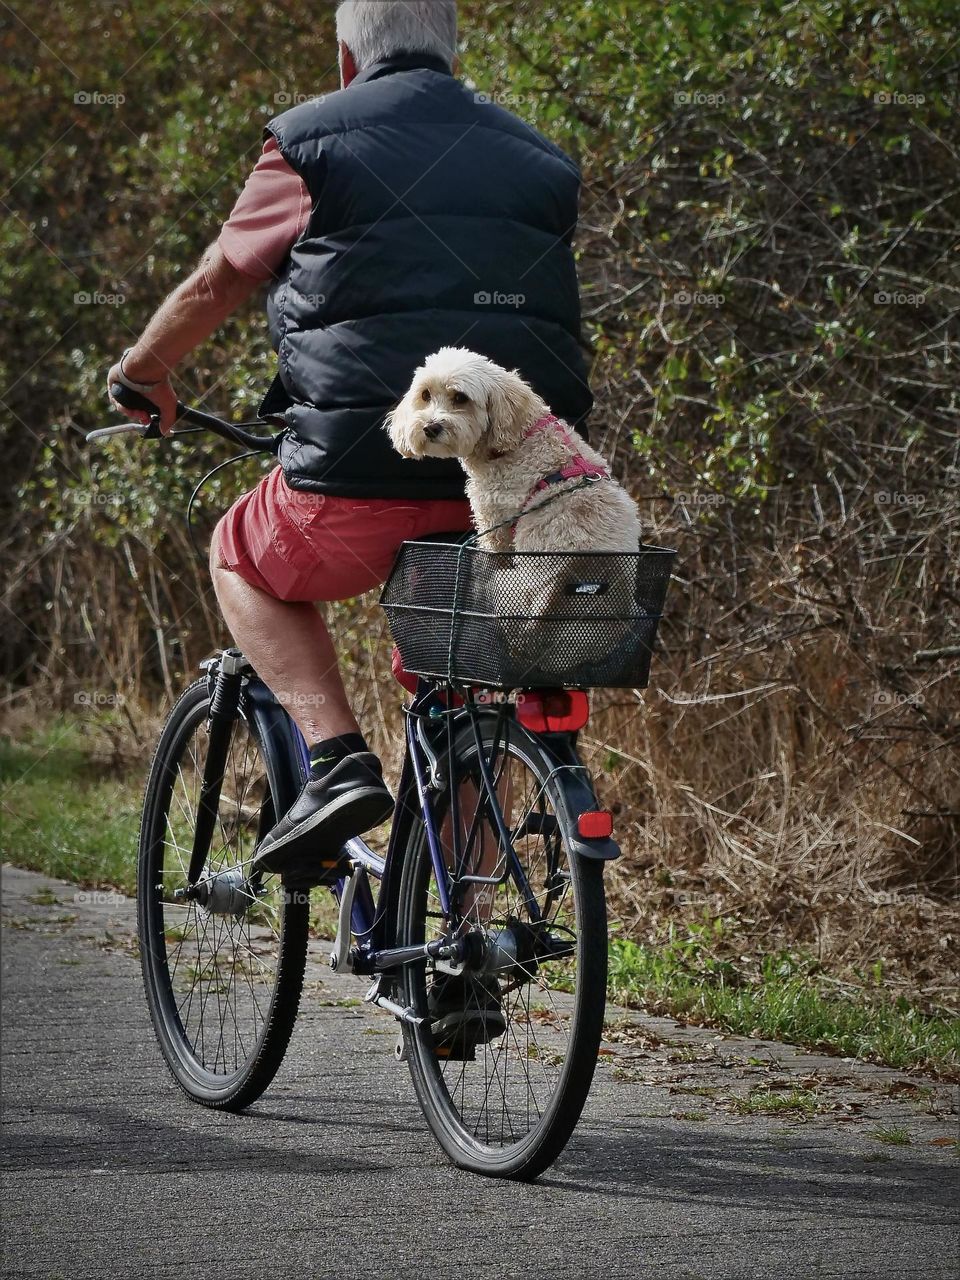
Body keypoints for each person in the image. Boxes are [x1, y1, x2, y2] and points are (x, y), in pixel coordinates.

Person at [106, 0, 592, 883]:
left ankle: (335, 763)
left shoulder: (308, 142)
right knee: (459, 690)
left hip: (361, 473)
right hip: (522, 487)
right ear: (451, 50)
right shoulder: (540, 158)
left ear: (345, 55)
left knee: (240, 556)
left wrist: (145, 372)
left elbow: (221, 278)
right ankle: (461, 965)